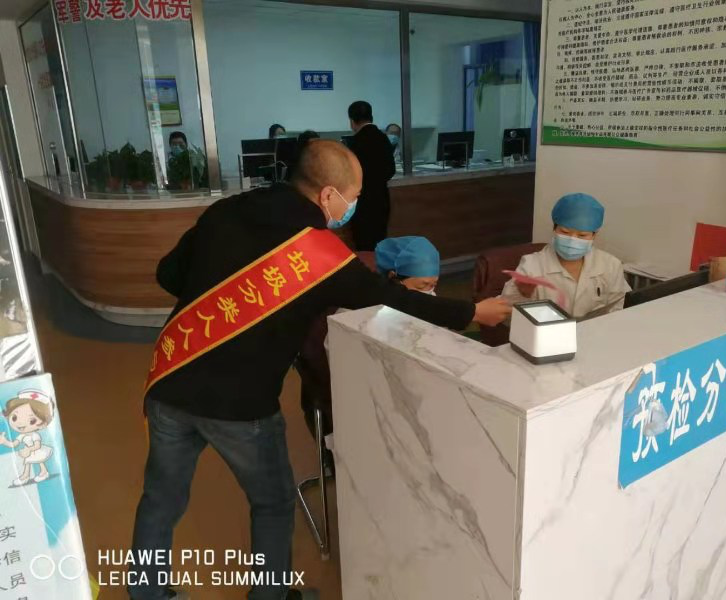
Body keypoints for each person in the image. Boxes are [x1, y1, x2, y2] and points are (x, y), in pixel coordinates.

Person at [129, 140, 510, 600]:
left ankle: (147, 594)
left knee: (161, 498)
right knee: (272, 503)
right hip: (240, 404)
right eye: (354, 196)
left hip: (172, 376)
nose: (353, 206)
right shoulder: (318, 254)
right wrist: (472, 310)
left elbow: (168, 275)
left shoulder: (225, 211)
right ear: (328, 195)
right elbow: (394, 299)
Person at [296, 235, 442, 467]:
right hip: (369, 400)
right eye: (422, 286)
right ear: (393, 278)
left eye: (433, 285)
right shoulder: (354, 318)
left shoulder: (421, 298)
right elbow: (350, 378)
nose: (429, 293)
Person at [502, 193, 630, 319]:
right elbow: (506, 315)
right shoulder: (531, 265)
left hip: (598, 330)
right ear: (554, 229)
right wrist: (523, 294)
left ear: (594, 235)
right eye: (565, 232)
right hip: (548, 332)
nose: (572, 240)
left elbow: (620, 306)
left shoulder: (610, 265)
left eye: (582, 235)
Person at [347, 101, 396, 251]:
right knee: (379, 244)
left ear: (352, 121)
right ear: (371, 117)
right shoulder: (383, 138)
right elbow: (391, 170)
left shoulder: (354, 142)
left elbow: (349, 174)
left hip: (362, 204)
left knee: (364, 246)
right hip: (381, 200)